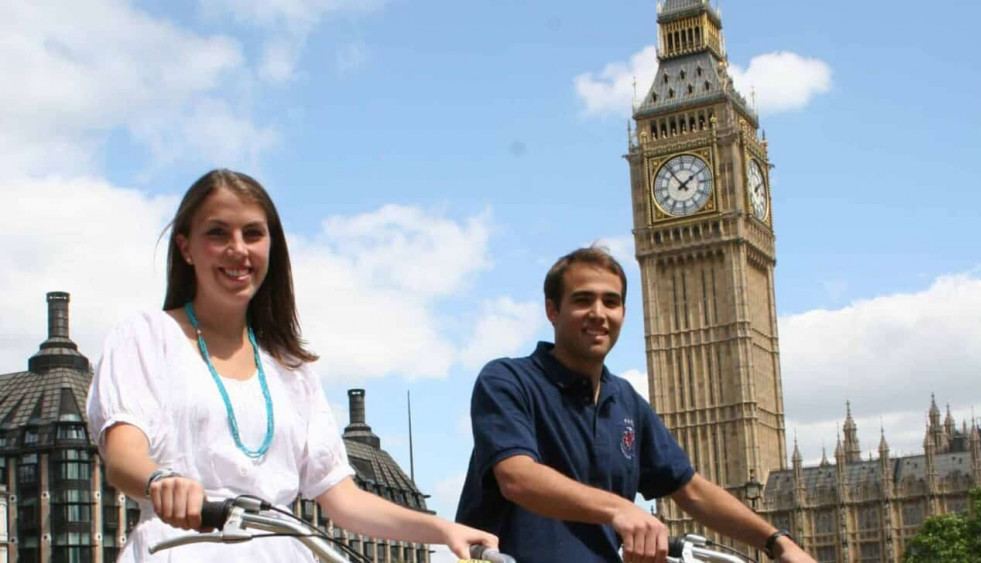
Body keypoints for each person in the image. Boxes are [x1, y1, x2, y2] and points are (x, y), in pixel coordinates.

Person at [87, 169, 497, 562]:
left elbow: (343, 499)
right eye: (217, 232)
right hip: (178, 548)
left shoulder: (291, 370)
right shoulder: (146, 335)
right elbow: (123, 456)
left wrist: (443, 530)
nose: (238, 249)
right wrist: (162, 481)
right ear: (186, 248)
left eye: (253, 233)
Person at [455, 247, 816, 563]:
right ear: (552, 310)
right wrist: (620, 509)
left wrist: (776, 542)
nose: (599, 312)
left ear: (623, 314)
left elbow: (690, 489)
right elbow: (517, 477)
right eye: (583, 300)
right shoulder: (508, 379)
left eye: (610, 302)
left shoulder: (625, 401)